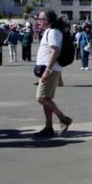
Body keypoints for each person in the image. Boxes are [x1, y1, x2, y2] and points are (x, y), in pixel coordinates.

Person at [33, 10, 73, 139]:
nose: (38, 20)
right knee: (47, 99)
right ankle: (48, 127)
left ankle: (63, 119)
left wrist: (47, 70)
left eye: (40, 18)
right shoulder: (50, 31)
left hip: (50, 69)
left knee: (41, 98)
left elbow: (55, 52)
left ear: (47, 19)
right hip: (49, 69)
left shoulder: (54, 32)